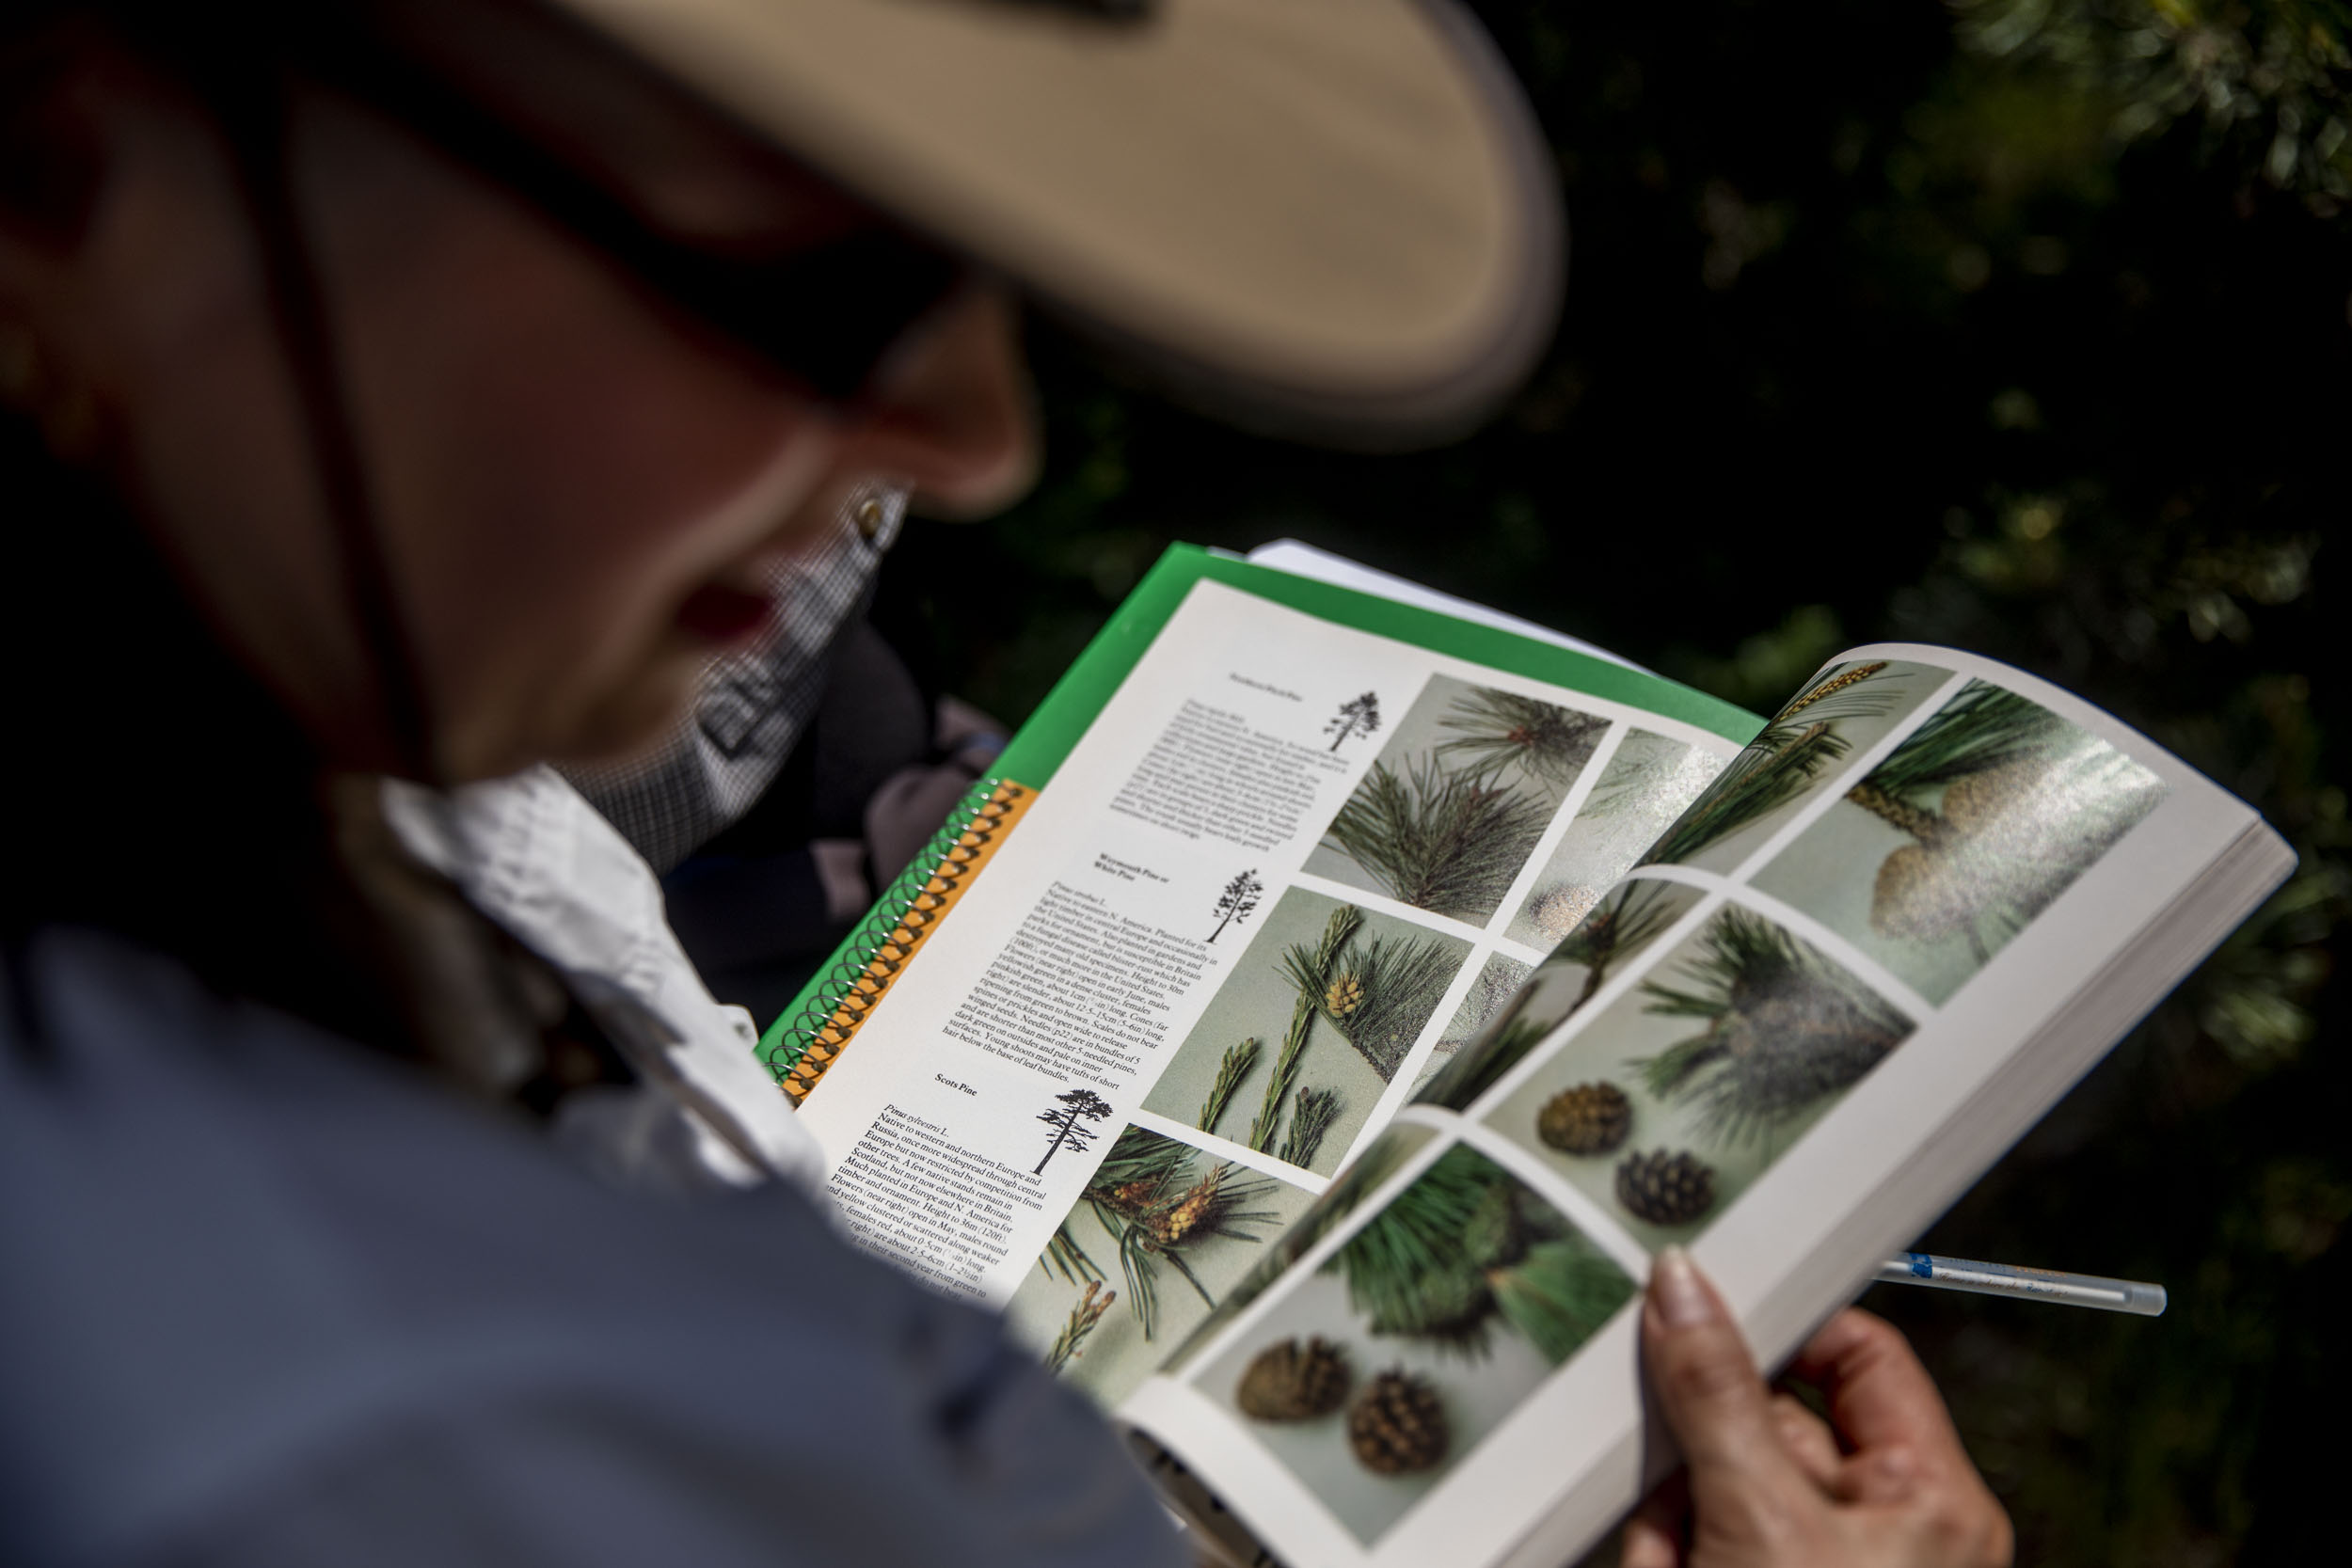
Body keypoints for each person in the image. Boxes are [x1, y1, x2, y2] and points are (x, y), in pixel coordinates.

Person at [0, 2, 2010, 1563]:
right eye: (814, 270)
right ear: (70, 163)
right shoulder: (333, 1432)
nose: (975, 435)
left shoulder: (350, 785)